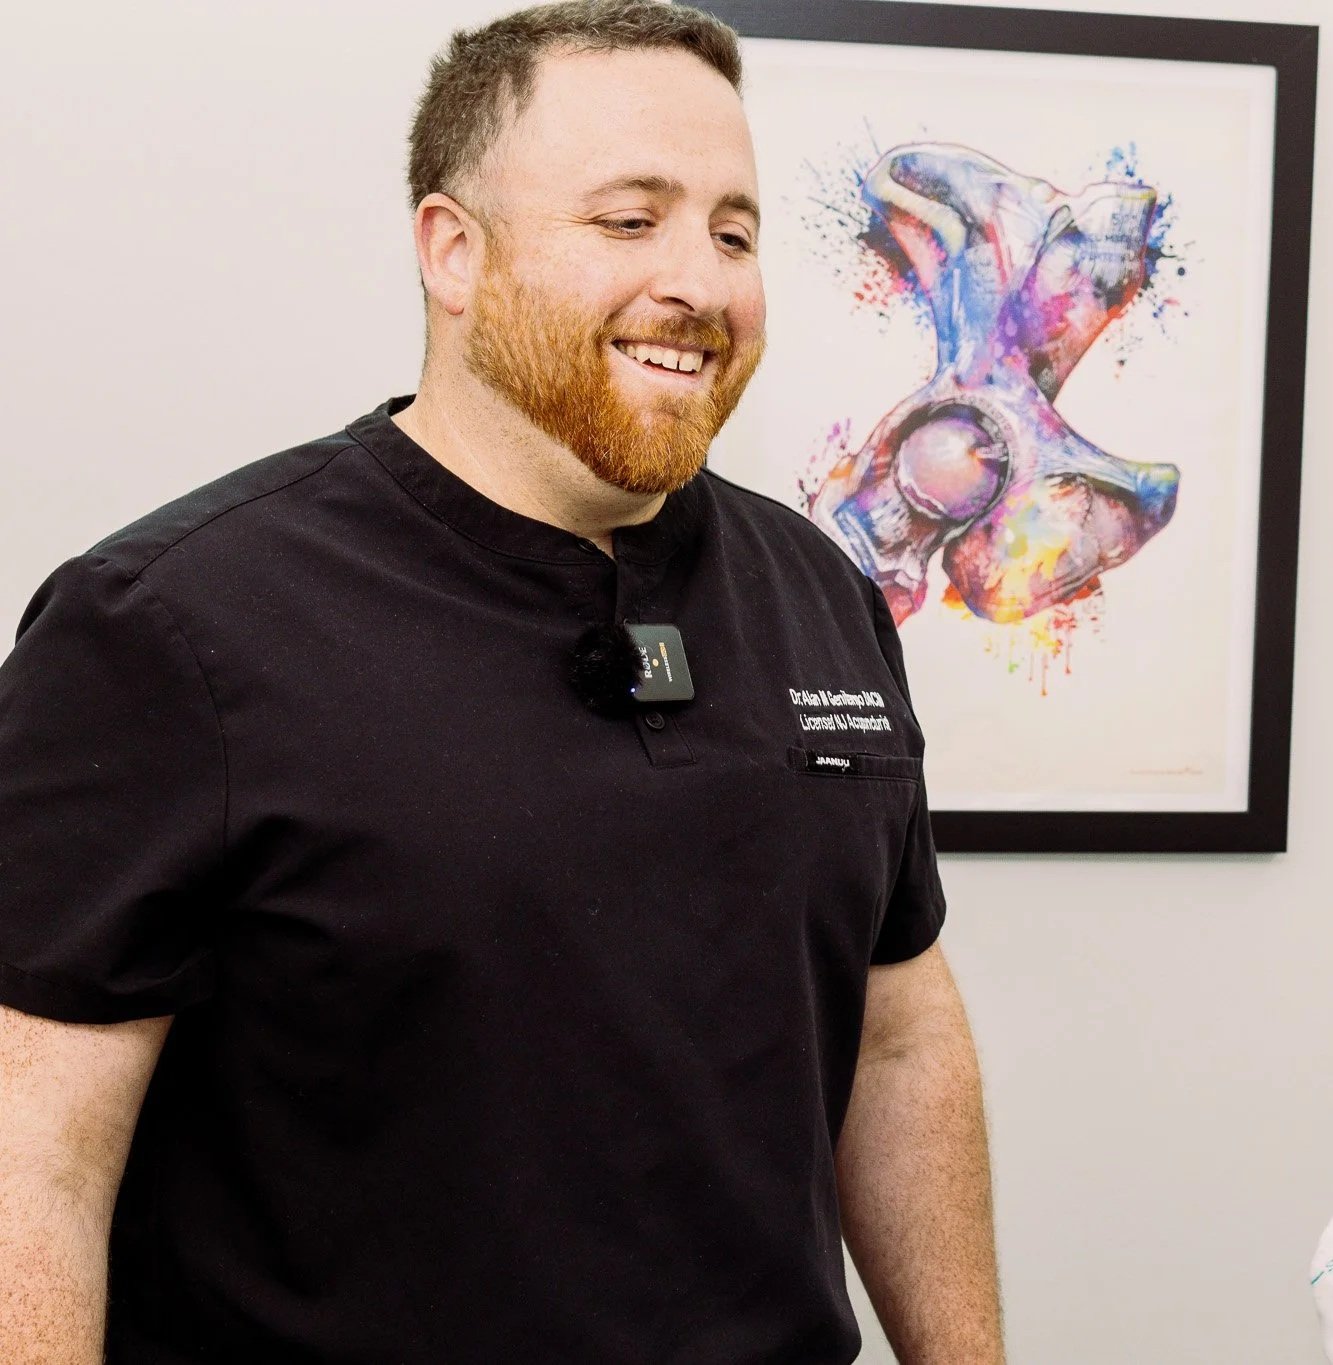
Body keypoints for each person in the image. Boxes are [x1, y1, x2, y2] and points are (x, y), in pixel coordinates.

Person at [0, 2, 1003, 1360]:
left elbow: (895, 1042)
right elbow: (34, 1159)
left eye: (731, 229)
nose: (697, 283)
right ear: (452, 250)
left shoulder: (820, 598)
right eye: (628, 217)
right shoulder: (169, 630)